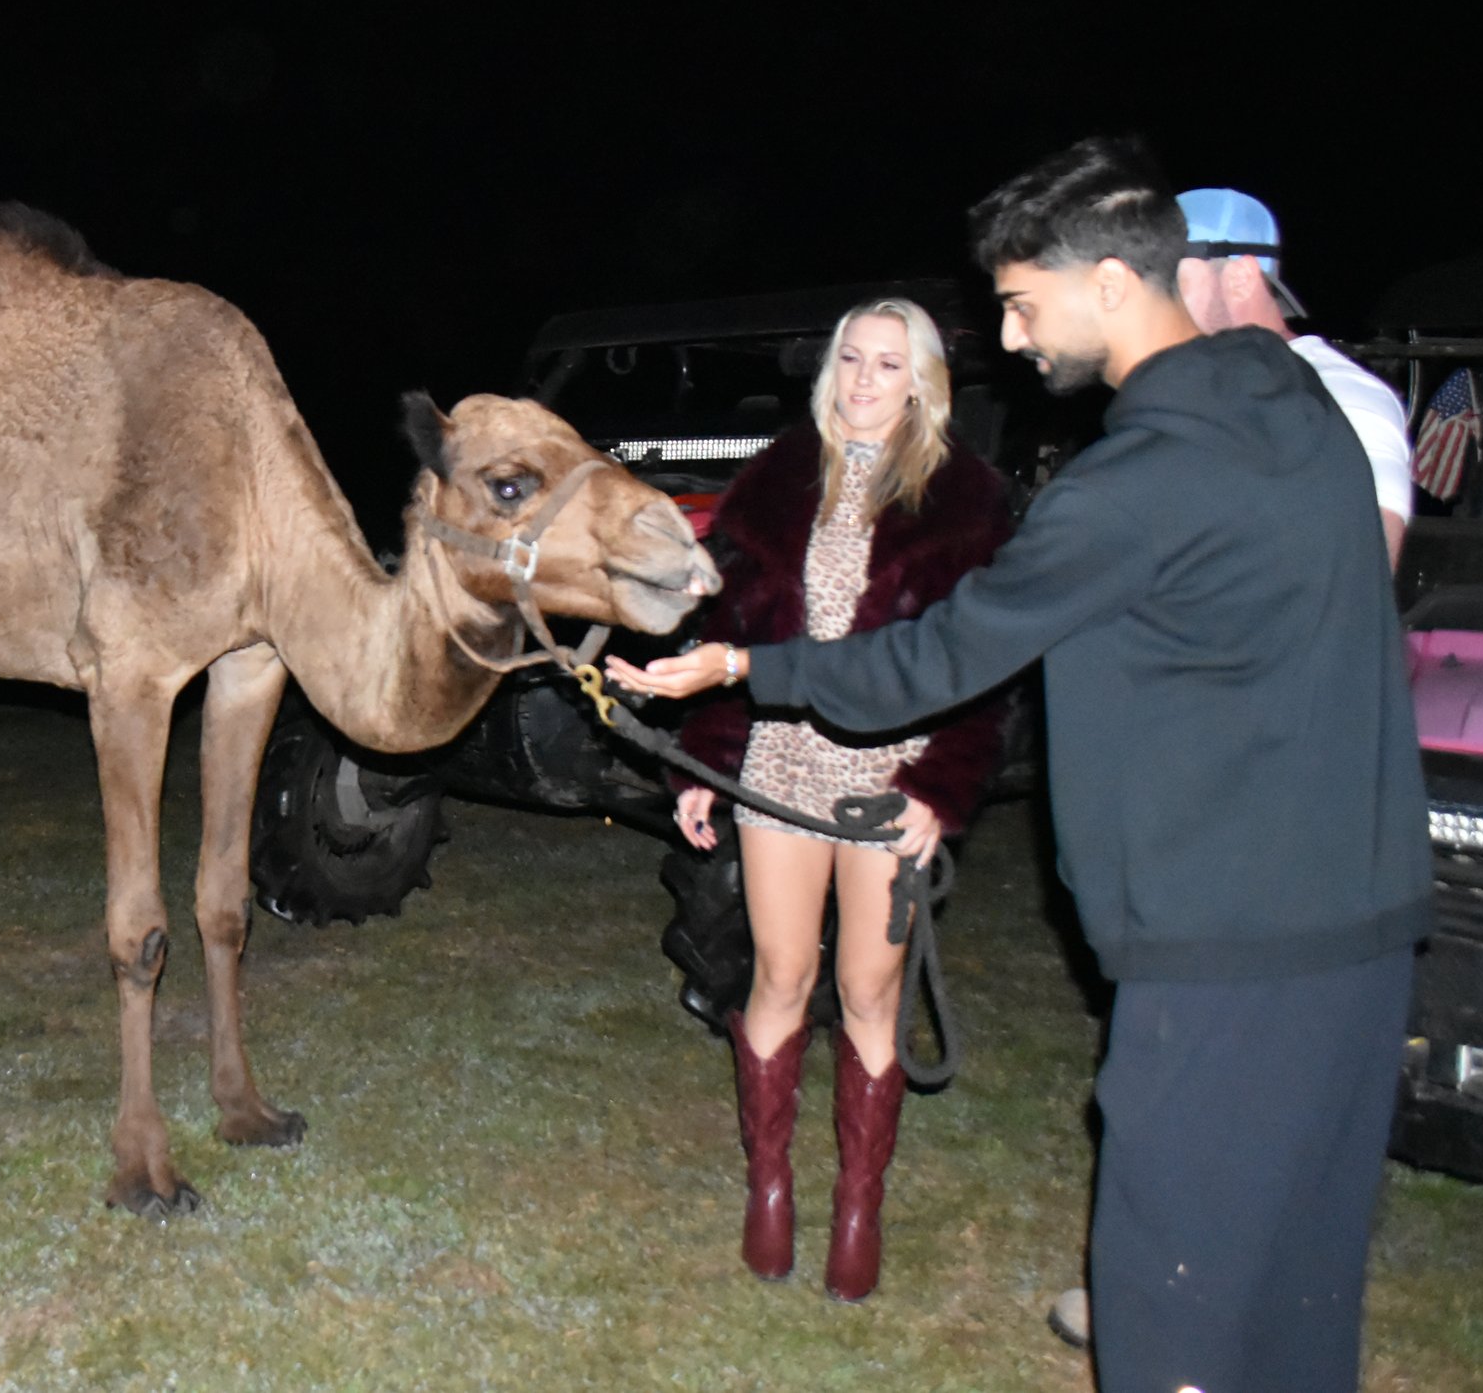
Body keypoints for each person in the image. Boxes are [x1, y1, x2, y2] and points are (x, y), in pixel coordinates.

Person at [608, 136, 1430, 1393]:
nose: (1011, 335)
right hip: (1359, 930)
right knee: (1297, 1295)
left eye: (1021, 302)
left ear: (1110, 280)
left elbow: (935, 660)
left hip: (1222, 945)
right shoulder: (1300, 412)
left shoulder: (1132, 484)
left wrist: (738, 673)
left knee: (1177, 1316)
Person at [1042, 186, 1415, 1354]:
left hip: (1272, 840)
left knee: (1240, 1124)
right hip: (1205, 839)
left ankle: (1186, 1305)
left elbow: (1332, 608)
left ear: (1221, 272)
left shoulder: (1334, 401)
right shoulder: (1203, 408)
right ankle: (1178, 1286)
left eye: (1163, 272)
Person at [663, 297, 1013, 1301]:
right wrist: (704, 758)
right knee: (779, 972)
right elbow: (730, 634)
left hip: (890, 775)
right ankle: (767, 1183)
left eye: (887, 364)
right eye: (849, 359)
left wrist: (940, 786)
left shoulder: (966, 498)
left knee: (867, 987)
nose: (863, 379)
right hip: (779, 761)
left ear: (922, 381)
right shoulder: (776, 479)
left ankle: (858, 1202)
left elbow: (978, 668)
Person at [1178, 186, 1412, 567]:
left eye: (1172, 281)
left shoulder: (1339, 393)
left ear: (1240, 278)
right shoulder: (1183, 397)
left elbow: (1364, 569)